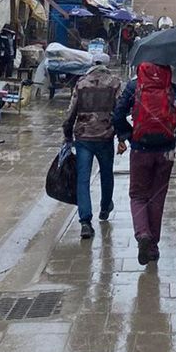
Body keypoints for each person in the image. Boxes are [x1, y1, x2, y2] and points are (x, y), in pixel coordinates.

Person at [113, 62, 176, 265]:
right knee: (157, 197)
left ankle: (143, 234)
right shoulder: (171, 88)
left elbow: (117, 114)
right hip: (166, 150)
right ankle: (153, 247)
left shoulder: (134, 86)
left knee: (138, 195)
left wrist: (129, 136)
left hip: (140, 148)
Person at [63, 64, 121, 239]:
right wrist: (121, 134)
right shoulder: (114, 83)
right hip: (105, 136)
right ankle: (104, 208)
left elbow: (70, 112)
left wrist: (67, 135)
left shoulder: (81, 84)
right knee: (106, 173)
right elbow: (119, 110)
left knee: (83, 179)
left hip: (83, 137)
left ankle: (85, 222)